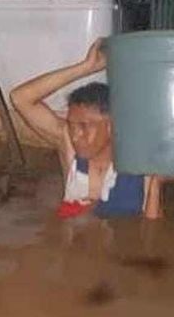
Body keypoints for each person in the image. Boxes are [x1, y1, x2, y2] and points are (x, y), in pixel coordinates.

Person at [10, 38, 165, 220]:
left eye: (84, 126)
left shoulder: (139, 160)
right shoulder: (67, 143)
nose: (75, 136)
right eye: (71, 125)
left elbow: (152, 230)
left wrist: (156, 183)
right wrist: (86, 68)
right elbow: (20, 98)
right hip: (73, 242)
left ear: (111, 125)